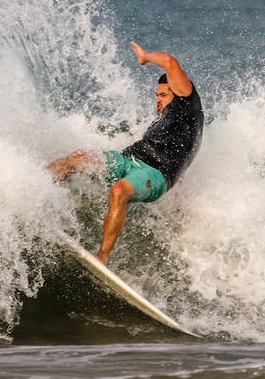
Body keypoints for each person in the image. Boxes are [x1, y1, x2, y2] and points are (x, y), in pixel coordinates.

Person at [48, 41, 204, 265]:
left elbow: (169, 62)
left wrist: (145, 56)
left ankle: (102, 256)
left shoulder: (187, 106)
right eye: (156, 95)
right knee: (77, 158)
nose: (157, 100)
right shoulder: (166, 121)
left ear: (178, 93)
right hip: (128, 160)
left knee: (118, 191)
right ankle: (32, 187)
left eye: (163, 95)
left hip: (154, 173)